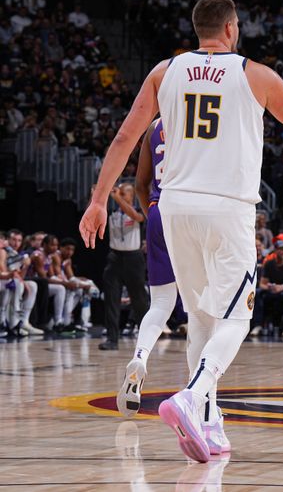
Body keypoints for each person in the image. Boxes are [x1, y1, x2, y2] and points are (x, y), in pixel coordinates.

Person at [78, 0, 283, 463]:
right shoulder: (255, 74)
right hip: (227, 208)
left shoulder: (163, 72)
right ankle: (195, 395)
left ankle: (208, 421)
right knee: (237, 318)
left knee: (203, 318)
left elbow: (126, 137)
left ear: (198, 30)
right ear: (232, 29)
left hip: (175, 208)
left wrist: (97, 199)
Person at [115, 118, 183, 421]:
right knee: (201, 309)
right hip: (193, 211)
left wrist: (153, 214)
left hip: (158, 209)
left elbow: (141, 184)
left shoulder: (154, 126)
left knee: (160, 304)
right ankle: (201, 395)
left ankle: (140, 357)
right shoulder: (199, 112)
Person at [99, 183, 150, 349]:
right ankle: (112, 339)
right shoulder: (112, 212)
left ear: (132, 196)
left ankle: (145, 339)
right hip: (114, 256)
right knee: (111, 298)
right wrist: (96, 196)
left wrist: (117, 198)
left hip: (133, 258)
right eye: (118, 192)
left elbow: (137, 217)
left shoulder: (137, 211)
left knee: (139, 300)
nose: (119, 194)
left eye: (123, 193)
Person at [254, 239, 283, 336]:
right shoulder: (269, 264)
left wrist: (282, 287)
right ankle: (258, 325)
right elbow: (262, 284)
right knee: (257, 292)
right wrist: (270, 287)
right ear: (275, 250)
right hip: (271, 290)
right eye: (280, 249)